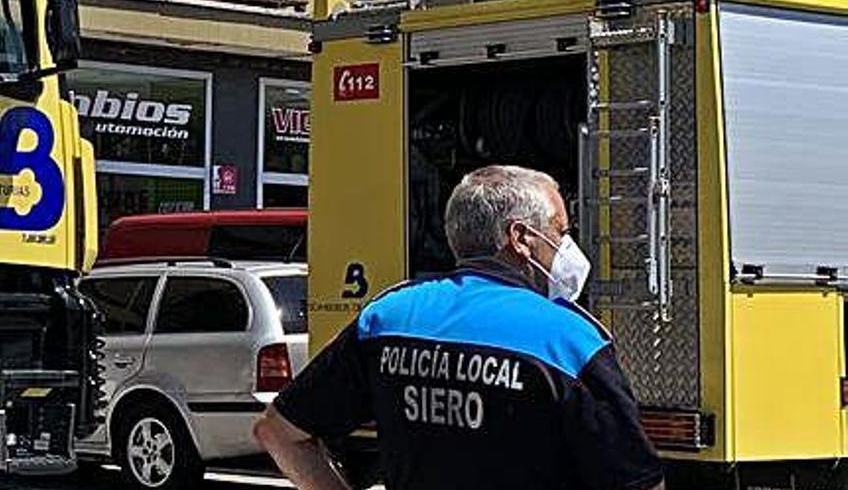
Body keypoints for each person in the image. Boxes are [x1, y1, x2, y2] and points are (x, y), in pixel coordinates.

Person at [253, 165, 664, 490]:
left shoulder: (387, 317)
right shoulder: (567, 339)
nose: (567, 248)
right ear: (520, 237)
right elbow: (636, 481)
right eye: (560, 231)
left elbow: (278, 431)